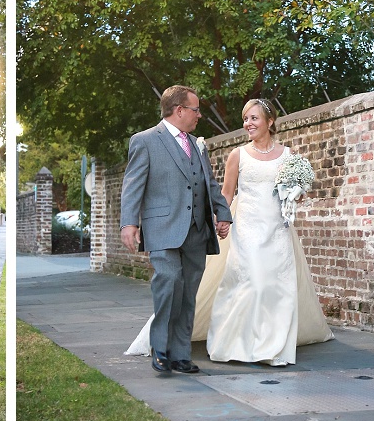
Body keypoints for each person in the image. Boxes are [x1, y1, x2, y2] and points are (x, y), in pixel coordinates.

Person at [125, 99, 333, 364]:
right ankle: (228, 343)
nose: (248, 124)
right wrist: (221, 217)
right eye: (246, 119)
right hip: (246, 227)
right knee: (250, 284)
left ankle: (274, 347)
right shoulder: (237, 154)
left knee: (278, 288)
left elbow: (290, 195)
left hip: (277, 228)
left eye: (254, 118)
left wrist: (296, 192)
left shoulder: (288, 155)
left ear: (270, 122)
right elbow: (224, 191)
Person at [120, 85, 233, 374]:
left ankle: (181, 354)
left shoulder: (197, 144)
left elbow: (208, 182)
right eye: (195, 110)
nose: (199, 115)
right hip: (163, 228)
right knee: (168, 283)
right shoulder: (144, 141)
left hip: (196, 230)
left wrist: (222, 213)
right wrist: (129, 223)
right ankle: (160, 348)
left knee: (188, 293)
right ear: (179, 110)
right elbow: (133, 185)